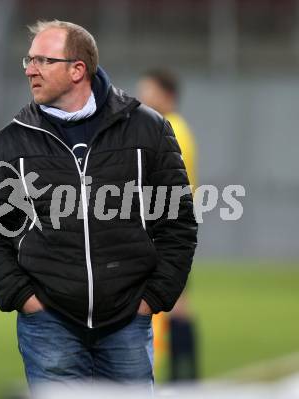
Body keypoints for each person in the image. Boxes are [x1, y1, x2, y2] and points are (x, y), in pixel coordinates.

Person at [0, 20, 198, 391]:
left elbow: (178, 222)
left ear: (78, 70)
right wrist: (23, 298)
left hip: (128, 321)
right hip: (48, 324)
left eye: (43, 60)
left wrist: (152, 298)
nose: (29, 69)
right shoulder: (9, 143)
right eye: (28, 59)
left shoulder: (149, 129)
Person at [137, 69, 198, 381]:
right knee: (179, 303)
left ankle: (179, 375)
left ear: (167, 95)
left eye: (148, 90)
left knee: (163, 304)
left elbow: (168, 188)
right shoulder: (173, 128)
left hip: (163, 231)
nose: (143, 96)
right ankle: (184, 375)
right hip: (170, 229)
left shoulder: (170, 129)